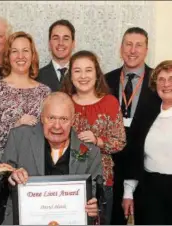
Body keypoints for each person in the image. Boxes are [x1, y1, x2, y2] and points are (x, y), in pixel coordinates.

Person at [0, 92, 102, 225]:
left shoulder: (90, 151)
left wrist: (94, 206)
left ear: (73, 120)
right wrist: (11, 176)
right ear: (42, 118)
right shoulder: (19, 137)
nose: (57, 126)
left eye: (64, 119)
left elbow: (95, 193)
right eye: (51, 118)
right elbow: (1, 175)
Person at [122, 60, 172, 225]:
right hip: (148, 190)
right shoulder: (146, 111)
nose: (166, 84)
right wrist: (128, 192)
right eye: (161, 79)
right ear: (155, 84)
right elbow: (134, 153)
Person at [62, 50, 126, 224]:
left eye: (88, 70)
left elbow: (120, 142)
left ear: (97, 74)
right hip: (67, 180)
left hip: (101, 181)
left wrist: (98, 141)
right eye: (77, 70)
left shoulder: (110, 102)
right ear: (71, 75)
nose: (83, 76)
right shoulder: (63, 101)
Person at [105, 27, 159, 225]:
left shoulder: (158, 81)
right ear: (121, 48)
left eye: (138, 45)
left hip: (147, 169)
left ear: (146, 50)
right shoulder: (105, 80)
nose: (133, 50)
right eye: (128, 44)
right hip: (114, 167)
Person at [0, 31, 51, 164]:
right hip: (3, 167)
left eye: (25, 51)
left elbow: (51, 131)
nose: (20, 56)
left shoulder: (45, 92)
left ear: (32, 55)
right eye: (15, 51)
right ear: (8, 56)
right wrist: (15, 124)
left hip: (36, 165)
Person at [36, 19, 76, 92]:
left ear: (73, 44)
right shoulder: (37, 78)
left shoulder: (83, 76)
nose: (61, 43)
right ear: (49, 44)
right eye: (56, 38)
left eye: (66, 38)